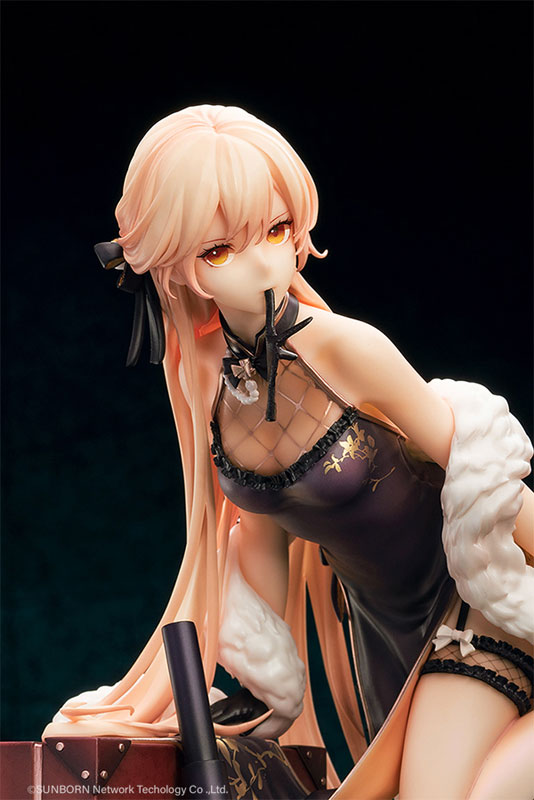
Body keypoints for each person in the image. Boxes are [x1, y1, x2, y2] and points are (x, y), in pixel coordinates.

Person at [44, 105, 534, 799]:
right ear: (173, 265)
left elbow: (484, 474)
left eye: (276, 230)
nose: (264, 263)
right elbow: (262, 522)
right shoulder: (199, 374)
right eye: (219, 250)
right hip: (381, 638)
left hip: (474, 607)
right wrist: (266, 680)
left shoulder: (346, 349)